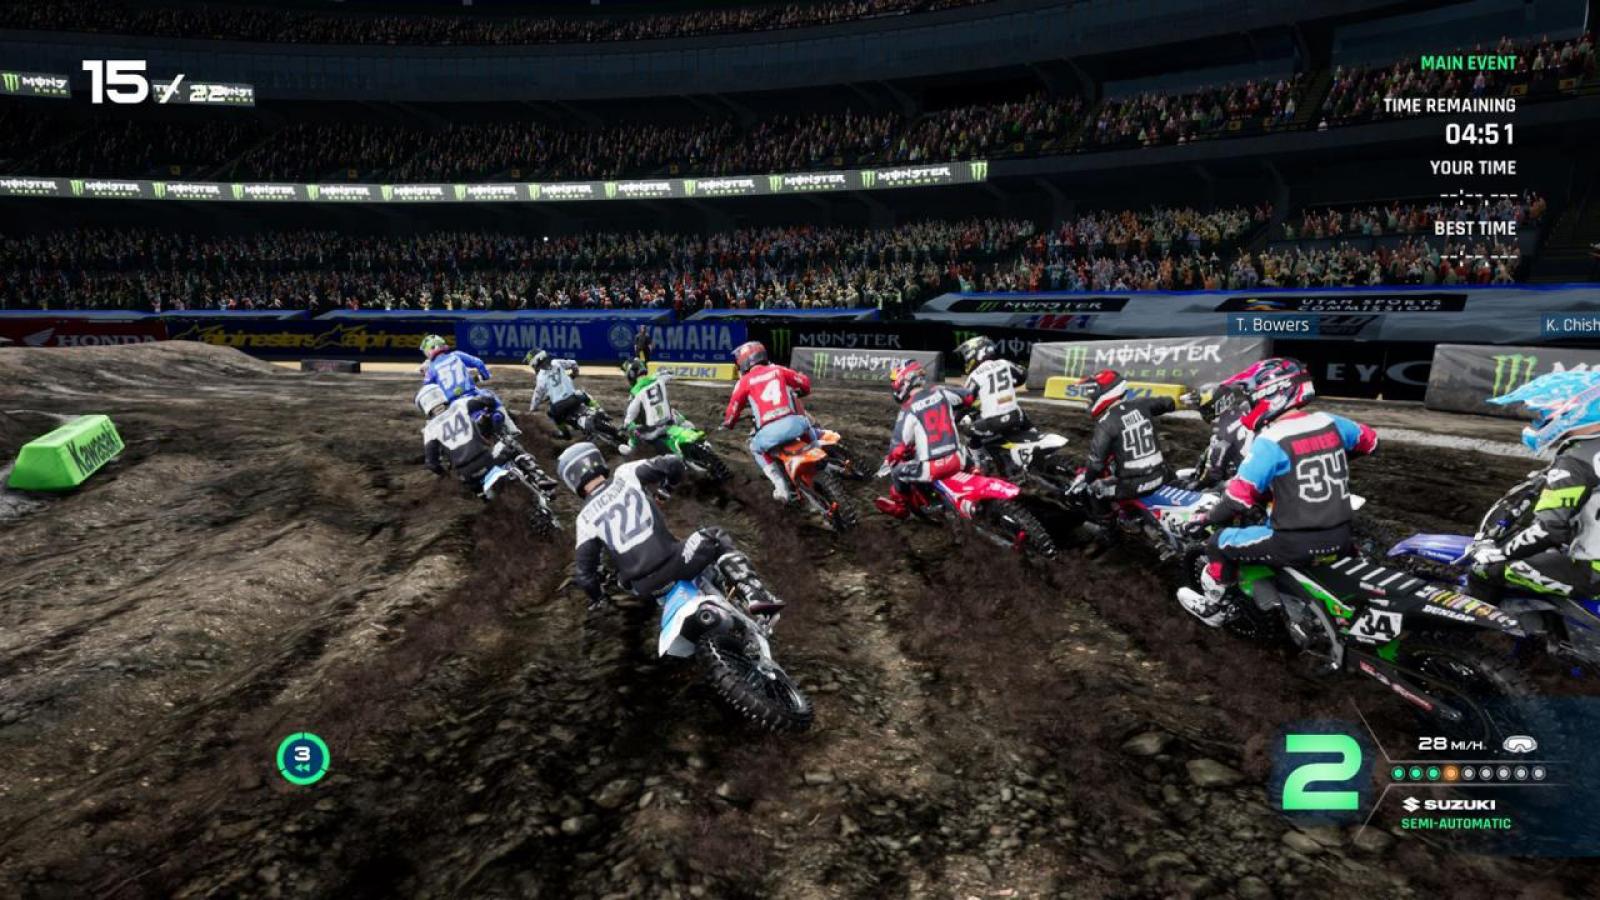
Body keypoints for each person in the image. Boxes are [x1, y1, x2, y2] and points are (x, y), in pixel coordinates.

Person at [1177, 358, 1378, 627]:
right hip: (1342, 537)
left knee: (1218, 543)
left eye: (1250, 396)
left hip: (1292, 543)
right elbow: (1371, 442)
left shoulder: (1272, 440)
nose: (1248, 403)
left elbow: (1235, 500)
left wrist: (1204, 520)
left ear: (1271, 394)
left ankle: (1216, 609)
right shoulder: (1330, 422)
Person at [559, 441, 783, 616]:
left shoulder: (584, 519)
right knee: (715, 536)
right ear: (597, 460)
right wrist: (667, 488)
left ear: (572, 480)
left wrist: (598, 599)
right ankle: (755, 594)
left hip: (644, 587)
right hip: (675, 562)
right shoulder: (625, 474)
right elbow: (673, 463)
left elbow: (585, 575)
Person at [1465, 370, 1600, 602]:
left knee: (1484, 570)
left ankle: (1485, 625)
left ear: (1574, 411)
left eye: (1545, 413)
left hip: (1593, 575)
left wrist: (1498, 553)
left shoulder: (1576, 460)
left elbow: (1548, 530)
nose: (1541, 419)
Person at [1071, 370, 1190, 521]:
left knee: (1092, 490)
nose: (1088, 399)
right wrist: (1182, 399)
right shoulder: (1140, 404)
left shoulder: (1106, 423)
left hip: (1133, 487)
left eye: (1091, 395)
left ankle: (1108, 526)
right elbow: (1168, 402)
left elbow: (1096, 465)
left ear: (1105, 393)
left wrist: (1086, 479)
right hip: (1161, 475)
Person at [874, 361, 974, 518]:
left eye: (896, 381)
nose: (895, 386)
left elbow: (897, 450)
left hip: (933, 468)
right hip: (958, 460)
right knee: (968, 452)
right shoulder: (940, 392)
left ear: (906, 380)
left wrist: (895, 457)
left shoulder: (908, 409)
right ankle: (976, 475)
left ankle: (901, 508)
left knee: (897, 471)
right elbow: (968, 396)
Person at [417, 383, 554, 492]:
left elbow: (432, 464)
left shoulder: (429, 430)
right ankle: (539, 476)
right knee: (510, 443)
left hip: (466, 476)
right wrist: (489, 412)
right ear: (441, 395)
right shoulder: (460, 404)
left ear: (424, 407)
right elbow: (488, 400)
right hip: (488, 460)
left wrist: (447, 475)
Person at [722, 340, 815, 501]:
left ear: (745, 362)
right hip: (794, 424)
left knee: (755, 447)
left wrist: (728, 423)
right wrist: (802, 389)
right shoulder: (777, 369)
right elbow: (804, 384)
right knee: (807, 423)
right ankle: (819, 450)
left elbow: (732, 411)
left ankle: (781, 486)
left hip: (769, 433)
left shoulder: (744, 382)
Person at [420, 333, 518, 434]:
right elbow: (478, 362)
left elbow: (427, 389)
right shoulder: (456, 355)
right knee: (491, 395)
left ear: (429, 350)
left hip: (452, 405)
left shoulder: (431, 369)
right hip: (472, 394)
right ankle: (511, 427)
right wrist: (485, 375)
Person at [956, 335, 1032, 456]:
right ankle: (1034, 436)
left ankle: (980, 461)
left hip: (993, 423)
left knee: (967, 430)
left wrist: (955, 417)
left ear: (977, 352)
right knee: (1019, 411)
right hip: (1015, 417)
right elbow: (1023, 374)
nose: (966, 358)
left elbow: (966, 401)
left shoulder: (975, 375)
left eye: (967, 354)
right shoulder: (1004, 363)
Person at [1184, 381, 1253, 490]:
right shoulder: (1243, 411)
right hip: (1256, 467)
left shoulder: (1222, 432)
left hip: (1247, 481)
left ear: (1214, 405)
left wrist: (1196, 485)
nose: (1201, 410)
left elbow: (1211, 476)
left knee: (1206, 489)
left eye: (1202, 407)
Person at [620, 356, 688, 455]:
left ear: (631, 375)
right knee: (680, 418)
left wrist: (626, 425)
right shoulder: (658, 377)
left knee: (632, 439)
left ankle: (634, 453)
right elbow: (671, 373)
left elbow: (629, 417)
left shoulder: (634, 393)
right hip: (670, 422)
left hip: (654, 430)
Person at [526, 348, 587, 439]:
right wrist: (575, 373)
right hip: (574, 397)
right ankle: (600, 411)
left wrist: (532, 408)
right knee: (585, 396)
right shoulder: (556, 362)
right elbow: (573, 363)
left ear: (535, 364)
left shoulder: (540, 377)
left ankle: (565, 434)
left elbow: (537, 395)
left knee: (552, 414)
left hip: (559, 406)